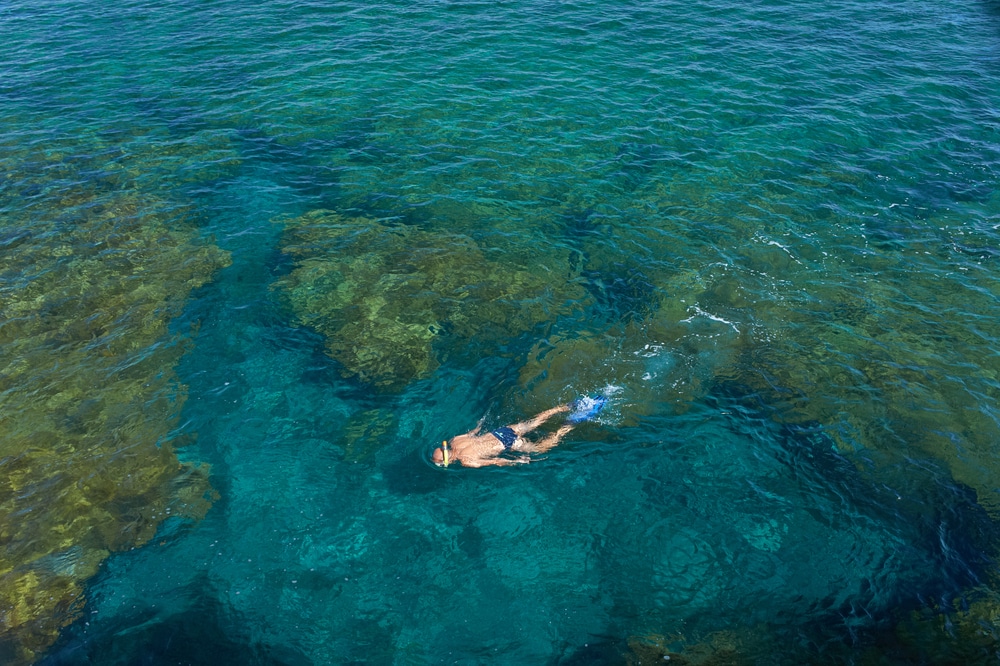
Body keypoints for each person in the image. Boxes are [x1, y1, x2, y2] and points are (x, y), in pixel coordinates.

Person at [432, 404, 574, 468]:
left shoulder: (466, 461)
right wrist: (480, 423)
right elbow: (475, 431)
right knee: (534, 423)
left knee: (541, 449)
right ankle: (562, 408)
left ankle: (565, 428)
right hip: (501, 431)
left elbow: (495, 461)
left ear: (447, 461)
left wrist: (517, 461)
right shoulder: (455, 440)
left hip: (508, 444)